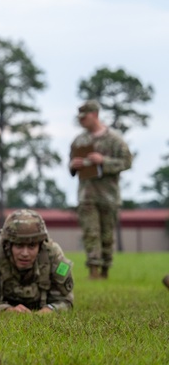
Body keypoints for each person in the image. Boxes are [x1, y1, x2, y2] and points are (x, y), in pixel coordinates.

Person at [69, 99, 133, 279]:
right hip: (86, 196)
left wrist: (103, 161)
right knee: (90, 234)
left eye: (85, 117)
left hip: (108, 196)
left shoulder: (114, 140)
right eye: (79, 118)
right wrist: (74, 165)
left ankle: (105, 270)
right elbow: (71, 167)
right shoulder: (79, 141)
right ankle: (93, 271)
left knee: (106, 235)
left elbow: (126, 162)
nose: (81, 121)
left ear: (95, 115)